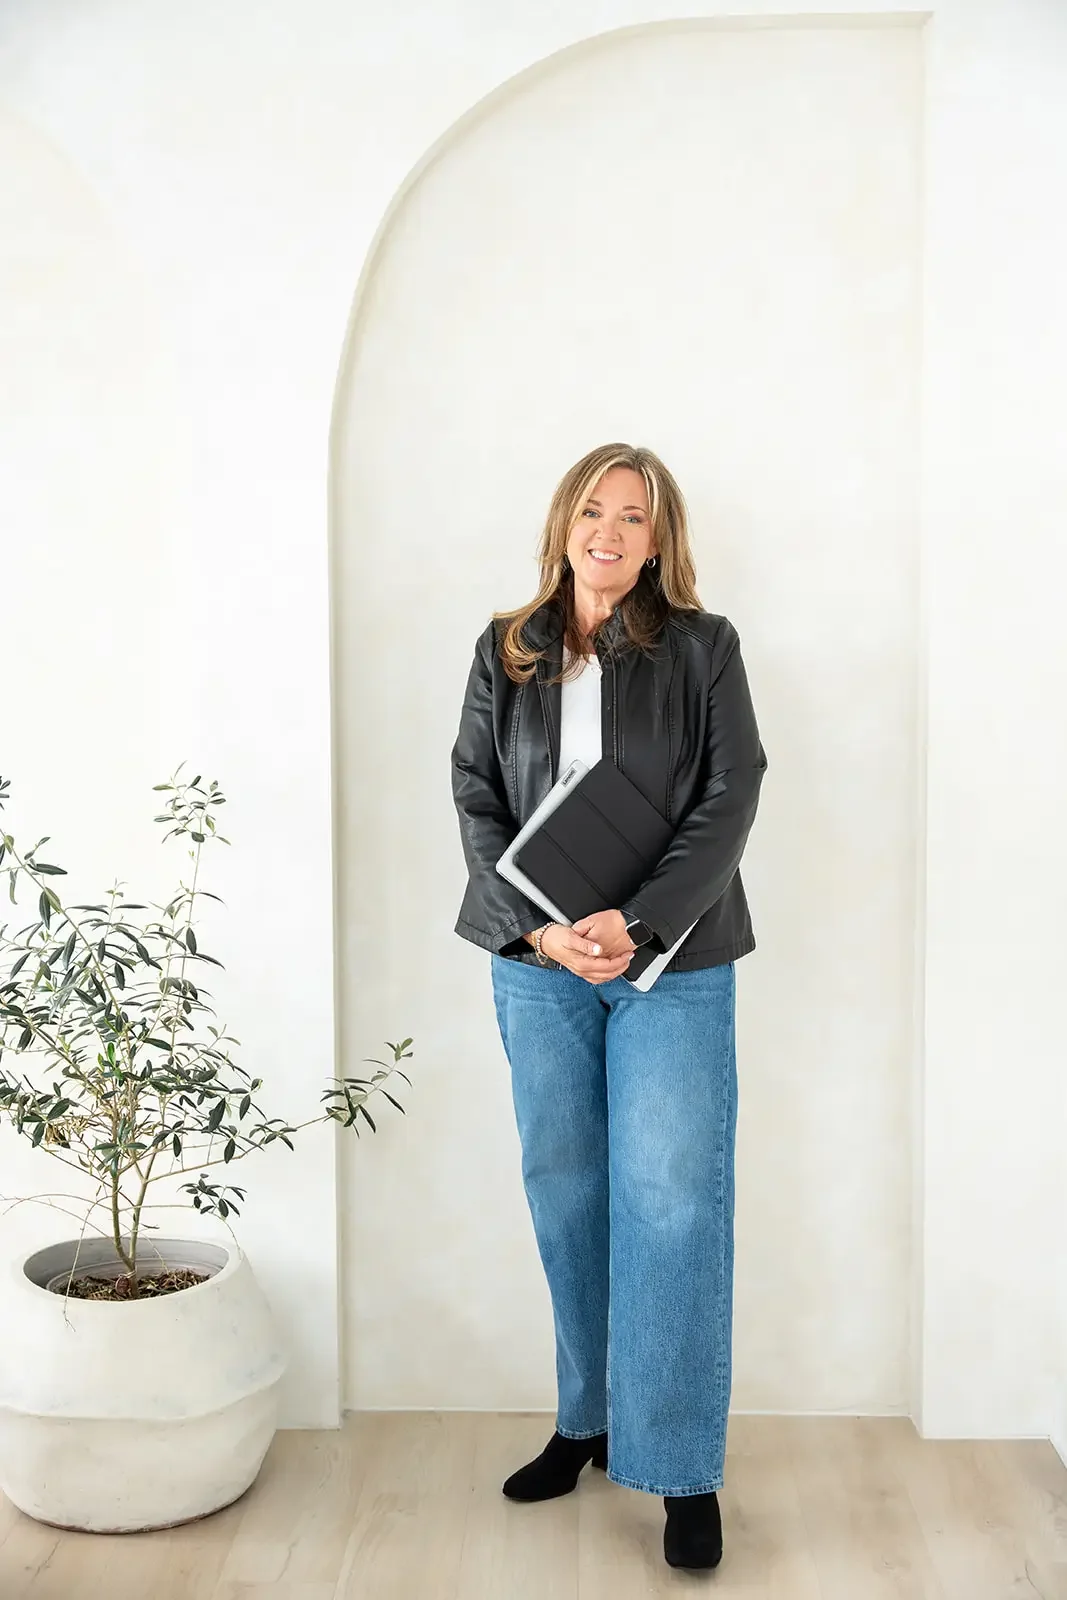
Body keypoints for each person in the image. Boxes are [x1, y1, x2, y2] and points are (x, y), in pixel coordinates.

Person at [450, 442, 766, 1572]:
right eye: (595, 509)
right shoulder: (507, 649)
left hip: (670, 965)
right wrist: (536, 925)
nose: (611, 531)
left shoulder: (702, 647)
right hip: (537, 965)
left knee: (671, 1201)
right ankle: (584, 1419)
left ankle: (677, 1466)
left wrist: (634, 922)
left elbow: (732, 794)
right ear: (564, 523)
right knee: (567, 1189)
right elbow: (475, 791)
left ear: (658, 538)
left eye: (635, 516)